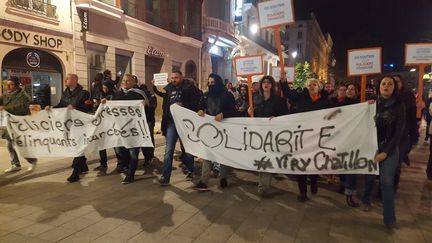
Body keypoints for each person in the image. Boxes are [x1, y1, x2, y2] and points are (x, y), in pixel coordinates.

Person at [363, 76, 405, 228]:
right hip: (372, 147)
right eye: (383, 84)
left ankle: (389, 219)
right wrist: (366, 108)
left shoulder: (400, 106)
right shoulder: (374, 104)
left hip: (390, 149)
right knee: (369, 176)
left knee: (386, 181)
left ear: (394, 88)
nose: (386, 86)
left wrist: (386, 152)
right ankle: (366, 200)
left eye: (390, 84)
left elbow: (398, 133)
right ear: (379, 87)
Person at [280, 78, 331, 202]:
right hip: (301, 136)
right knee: (301, 165)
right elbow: (288, 93)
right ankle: (302, 192)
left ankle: (314, 181)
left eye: (314, 84)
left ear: (319, 87)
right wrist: (283, 81)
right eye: (309, 85)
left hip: (317, 137)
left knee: (314, 162)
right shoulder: (301, 97)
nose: (311, 86)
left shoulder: (326, 101)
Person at [103, 74, 151, 184]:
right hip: (121, 128)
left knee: (133, 152)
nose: (125, 82)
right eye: (124, 80)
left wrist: (145, 105)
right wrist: (105, 104)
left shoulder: (139, 94)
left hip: (134, 129)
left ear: (134, 82)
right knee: (120, 149)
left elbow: (149, 108)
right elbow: (112, 109)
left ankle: (130, 174)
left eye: (128, 81)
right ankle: (125, 165)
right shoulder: (117, 94)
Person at [46, 74, 92, 182]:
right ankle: (83, 164)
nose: (66, 80)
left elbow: (88, 107)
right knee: (75, 144)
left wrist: (76, 108)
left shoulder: (84, 93)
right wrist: (52, 108)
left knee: (78, 145)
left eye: (68, 78)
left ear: (75, 80)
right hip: (69, 124)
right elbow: (61, 105)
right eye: (66, 78)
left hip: (80, 124)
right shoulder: (65, 93)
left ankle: (76, 171)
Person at [158, 70, 201, 186]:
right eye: (172, 78)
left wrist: (184, 105)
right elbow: (165, 107)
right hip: (172, 123)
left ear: (181, 77)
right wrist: (164, 125)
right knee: (168, 150)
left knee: (188, 149)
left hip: (185, 124)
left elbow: (196, 104)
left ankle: (190, 170)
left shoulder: (190, 88)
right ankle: (165, 177)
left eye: (176, 77)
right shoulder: (169, 89)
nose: (173, 80)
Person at [194, 73, 237, 190]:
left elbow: (233, 111)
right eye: (209, 83)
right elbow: (199, 106)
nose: (211, 85)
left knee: (222, 155)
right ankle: (204, 180)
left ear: (218, 83)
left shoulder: (227, 95)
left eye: (213, 83)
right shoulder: (206, 95)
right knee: (207, 154)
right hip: (209, 130)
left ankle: (223, 178)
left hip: (224, 130)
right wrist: (200, 111)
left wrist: (224, 114)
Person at [253, 76, 289, 197]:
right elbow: (253, 117)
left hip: (272, 135)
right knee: (261, 160)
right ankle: (262, 184)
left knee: (266, 160)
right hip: (259, 134)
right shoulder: (256, 99)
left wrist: (277, 119)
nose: (266, 84)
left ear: (272, 85)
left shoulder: (279, 100)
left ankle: (263, 187)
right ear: (261, 85)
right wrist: (249, 112)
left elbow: (286, 116)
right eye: (264, 82)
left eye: (269, 82)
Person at [0, 77, 38, 172]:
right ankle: (15, 164)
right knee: (9, 145)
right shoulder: (5, 95)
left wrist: (6, 108)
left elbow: (22, 107)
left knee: (20, 145)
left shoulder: (23, 95)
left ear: (17, 85)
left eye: (11, 84)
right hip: (8, 123)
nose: (8, 86)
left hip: (19, 124)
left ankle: (32, 160)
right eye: (7, 84)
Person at [93, 80, 117, 172]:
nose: (104, 89)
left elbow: (116, 107)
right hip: (103, 123)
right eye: (103, 87)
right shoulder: (101, 95)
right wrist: (98, 104)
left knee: (115, 144)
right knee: (101, 143)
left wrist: (108, 102)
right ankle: (103, 163)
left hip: (112, 123)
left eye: (106, 87)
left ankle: (121, 163)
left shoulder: (115, 95)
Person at [136, 76, 157, 166]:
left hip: (148, 120)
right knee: (146, 138)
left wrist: (146, 105)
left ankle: (149, 156)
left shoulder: (151, 97)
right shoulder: (137, 97)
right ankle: (148, 156)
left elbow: (152, 108)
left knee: (147, 138)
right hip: (143, 120)